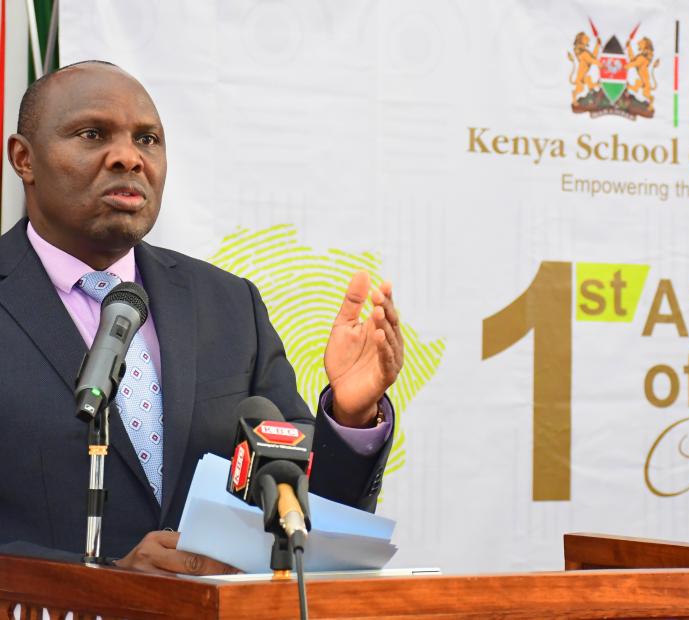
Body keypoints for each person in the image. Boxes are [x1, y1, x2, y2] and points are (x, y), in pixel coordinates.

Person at [0, 61, 403, 575]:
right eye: (92, 134)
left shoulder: (230, 306)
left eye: (148, 140)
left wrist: (349, 418)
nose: (128, 157)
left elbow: (303, 517)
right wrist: (106, 579)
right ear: (24, 158)